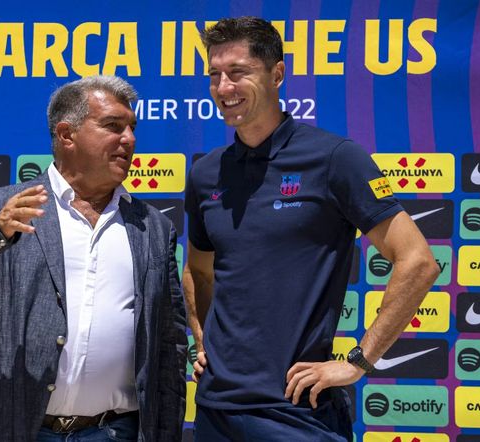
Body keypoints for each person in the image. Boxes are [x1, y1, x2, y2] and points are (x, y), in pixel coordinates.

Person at [183, 17, 440, 441]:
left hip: (297, 410)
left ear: (277, 74)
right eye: (215, 75)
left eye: (238, 72)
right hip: (215, 409)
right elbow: (198, 271)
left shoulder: (335, 158)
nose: (224, 87)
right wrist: (201, 339)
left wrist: (359, 361)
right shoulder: (206, 172)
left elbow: (418, 261)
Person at [0, 76, 187, 442]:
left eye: (131, 128)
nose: (129, 139)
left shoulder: (153, 227)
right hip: (15, 430)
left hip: (116, 432)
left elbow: (169, 345)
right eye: (113, 126)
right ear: (66, 134)